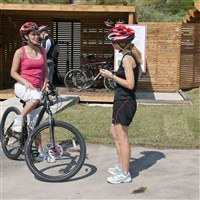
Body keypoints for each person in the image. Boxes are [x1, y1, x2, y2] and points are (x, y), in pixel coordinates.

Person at [100, 22, 142, 184]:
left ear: (121, 42)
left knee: (122, 138)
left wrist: (111, 76)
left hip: (125, 101)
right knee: (114, 133)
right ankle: (121, 165)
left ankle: (125, 174)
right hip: (122, 100)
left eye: (113, 41)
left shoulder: (127, 59)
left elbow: (130, 84)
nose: (112, 44)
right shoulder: (130, 54)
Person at [10, 22, 47, 147]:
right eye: (33, 34)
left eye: (37, 34)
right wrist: (25, 81)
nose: (36, 37)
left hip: (36, 89)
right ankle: (19, 119)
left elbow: (45, 69)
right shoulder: (20, 52)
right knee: (36, 97)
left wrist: (46, 82)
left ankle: (40, 151)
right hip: (22, 87)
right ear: (26, 36)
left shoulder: (42, 51)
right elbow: (13, 72)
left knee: (37, 123)